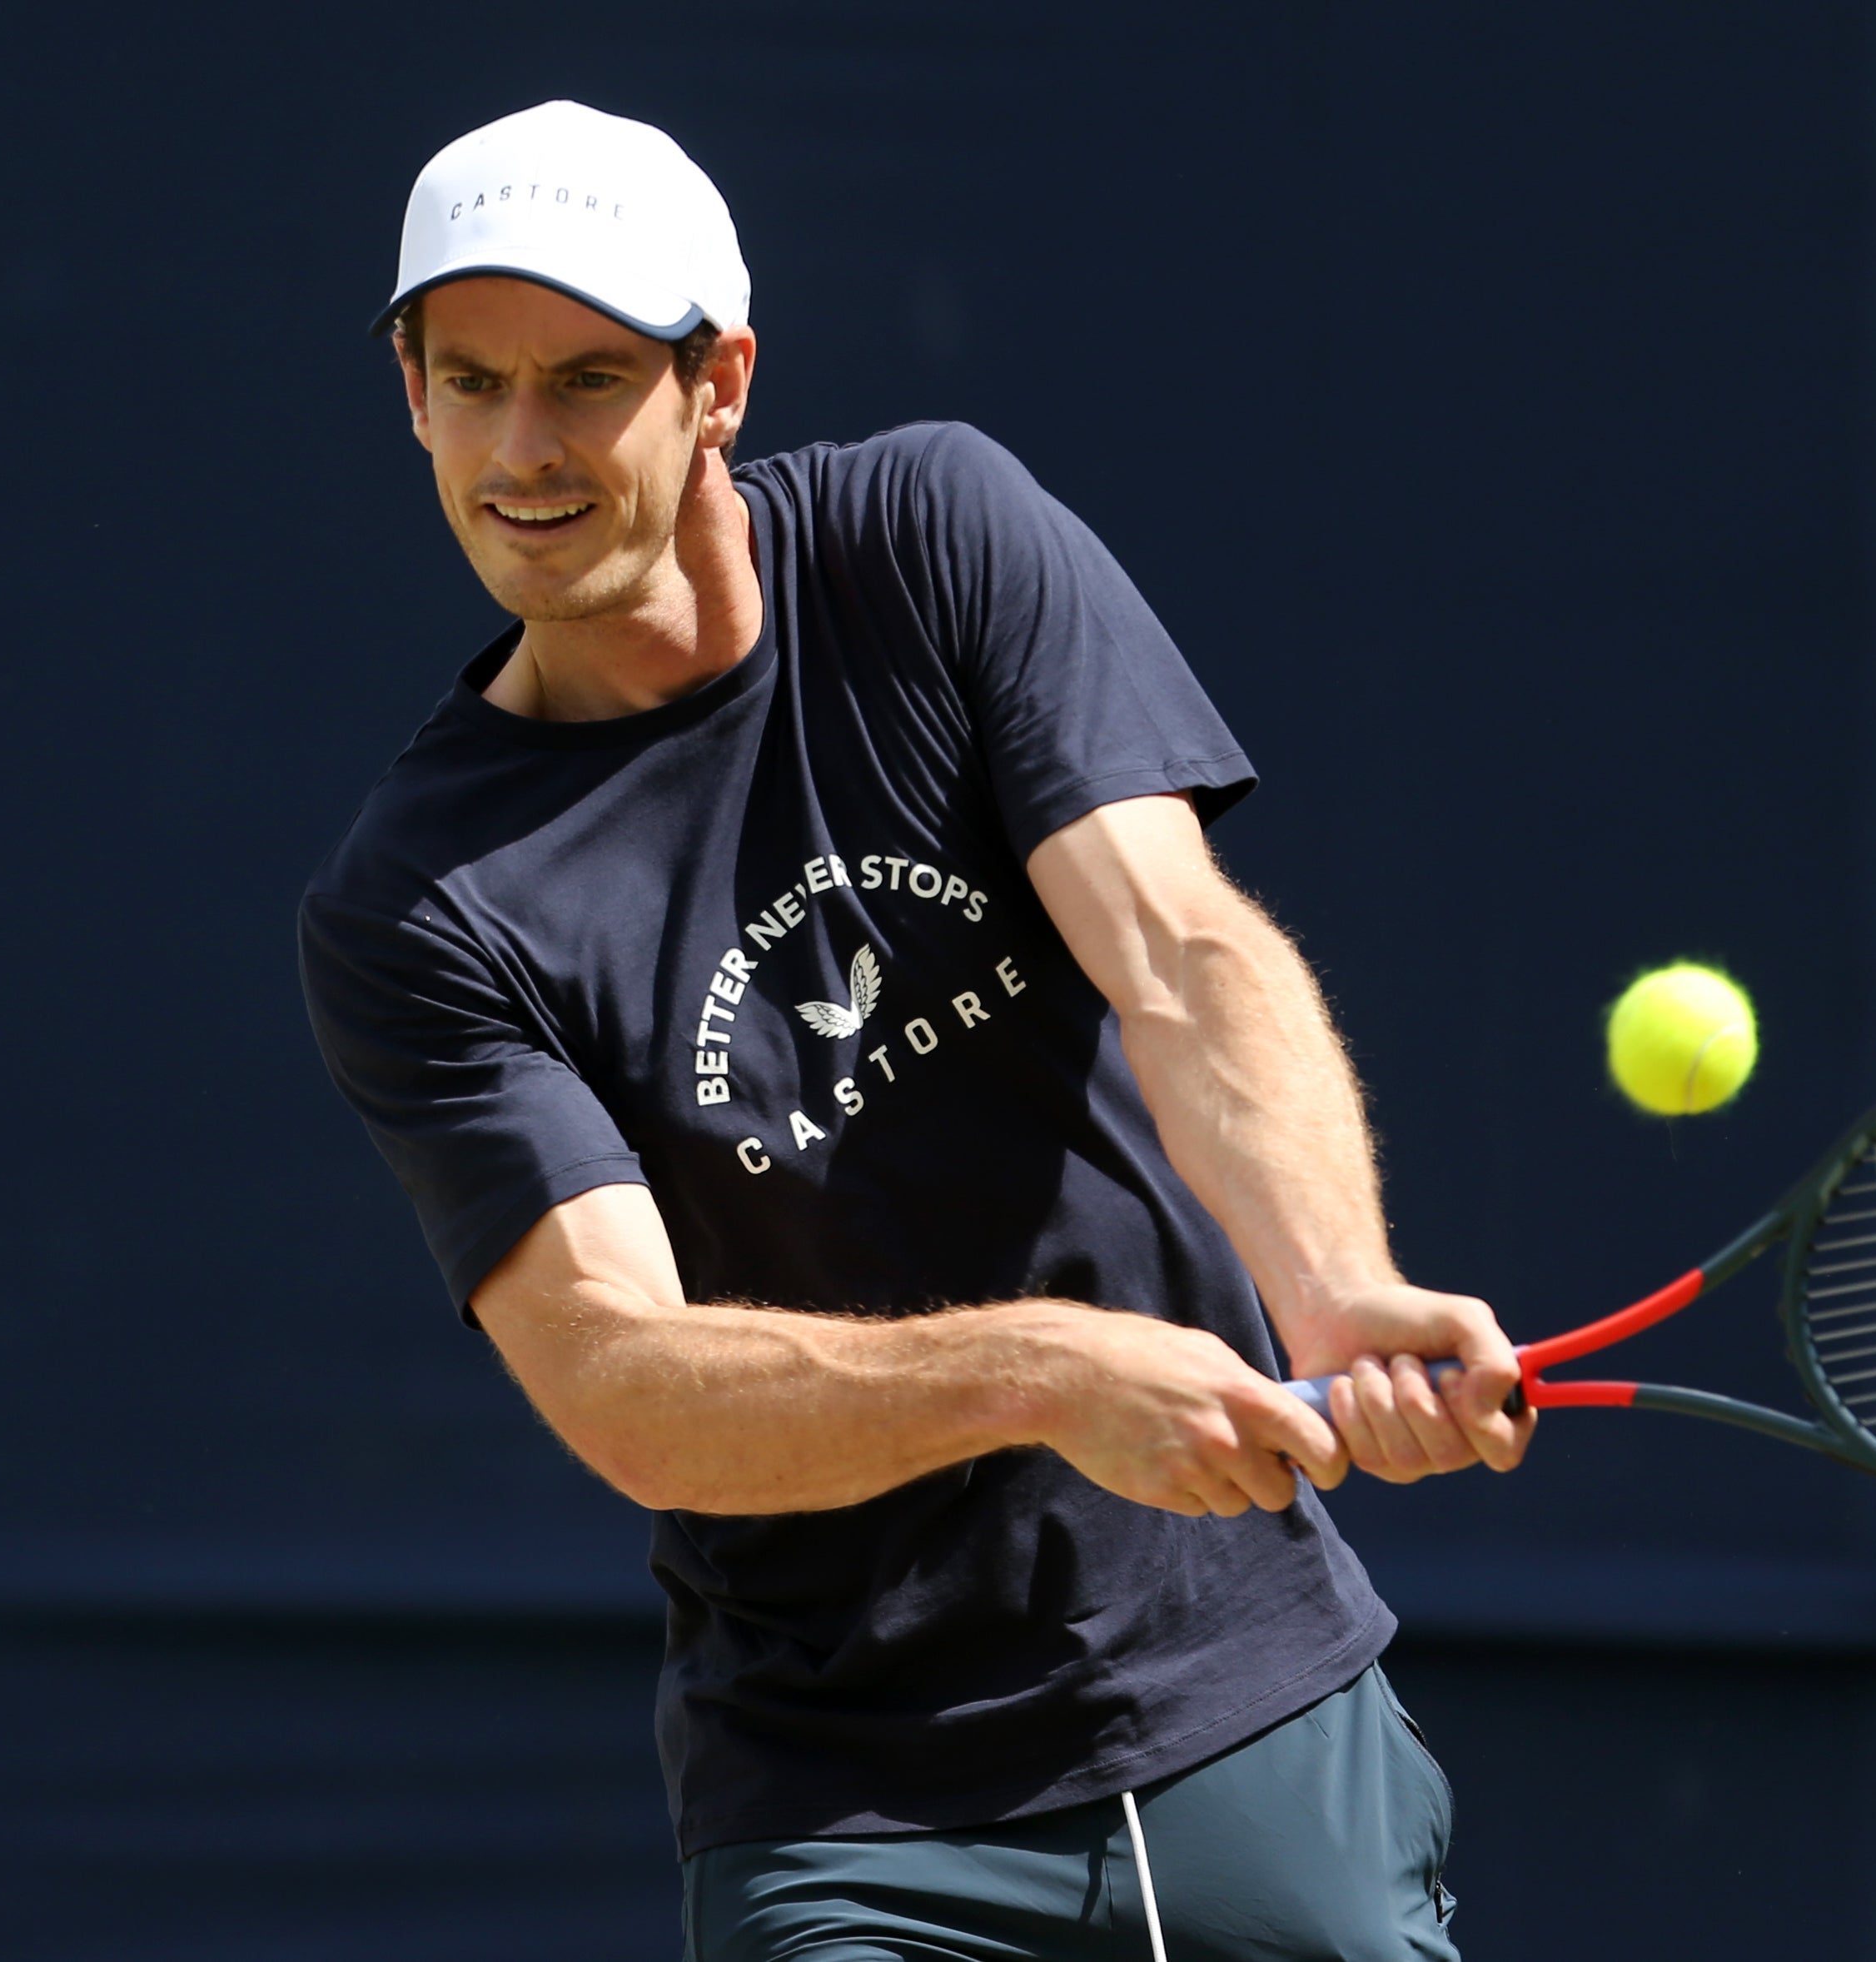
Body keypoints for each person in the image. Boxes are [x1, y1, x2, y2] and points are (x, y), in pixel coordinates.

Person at [298, 100, 1534, 1962]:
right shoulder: (417, 904)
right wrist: (1046, 1369)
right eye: (470, 382)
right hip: (846, 1813)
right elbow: (625, 1375)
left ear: (718, 383)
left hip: (1250, 1704)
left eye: (585, 378)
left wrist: (1336, 1284)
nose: (522, 450)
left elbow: (1175, 944)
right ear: (409, 390)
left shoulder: (928, 531)